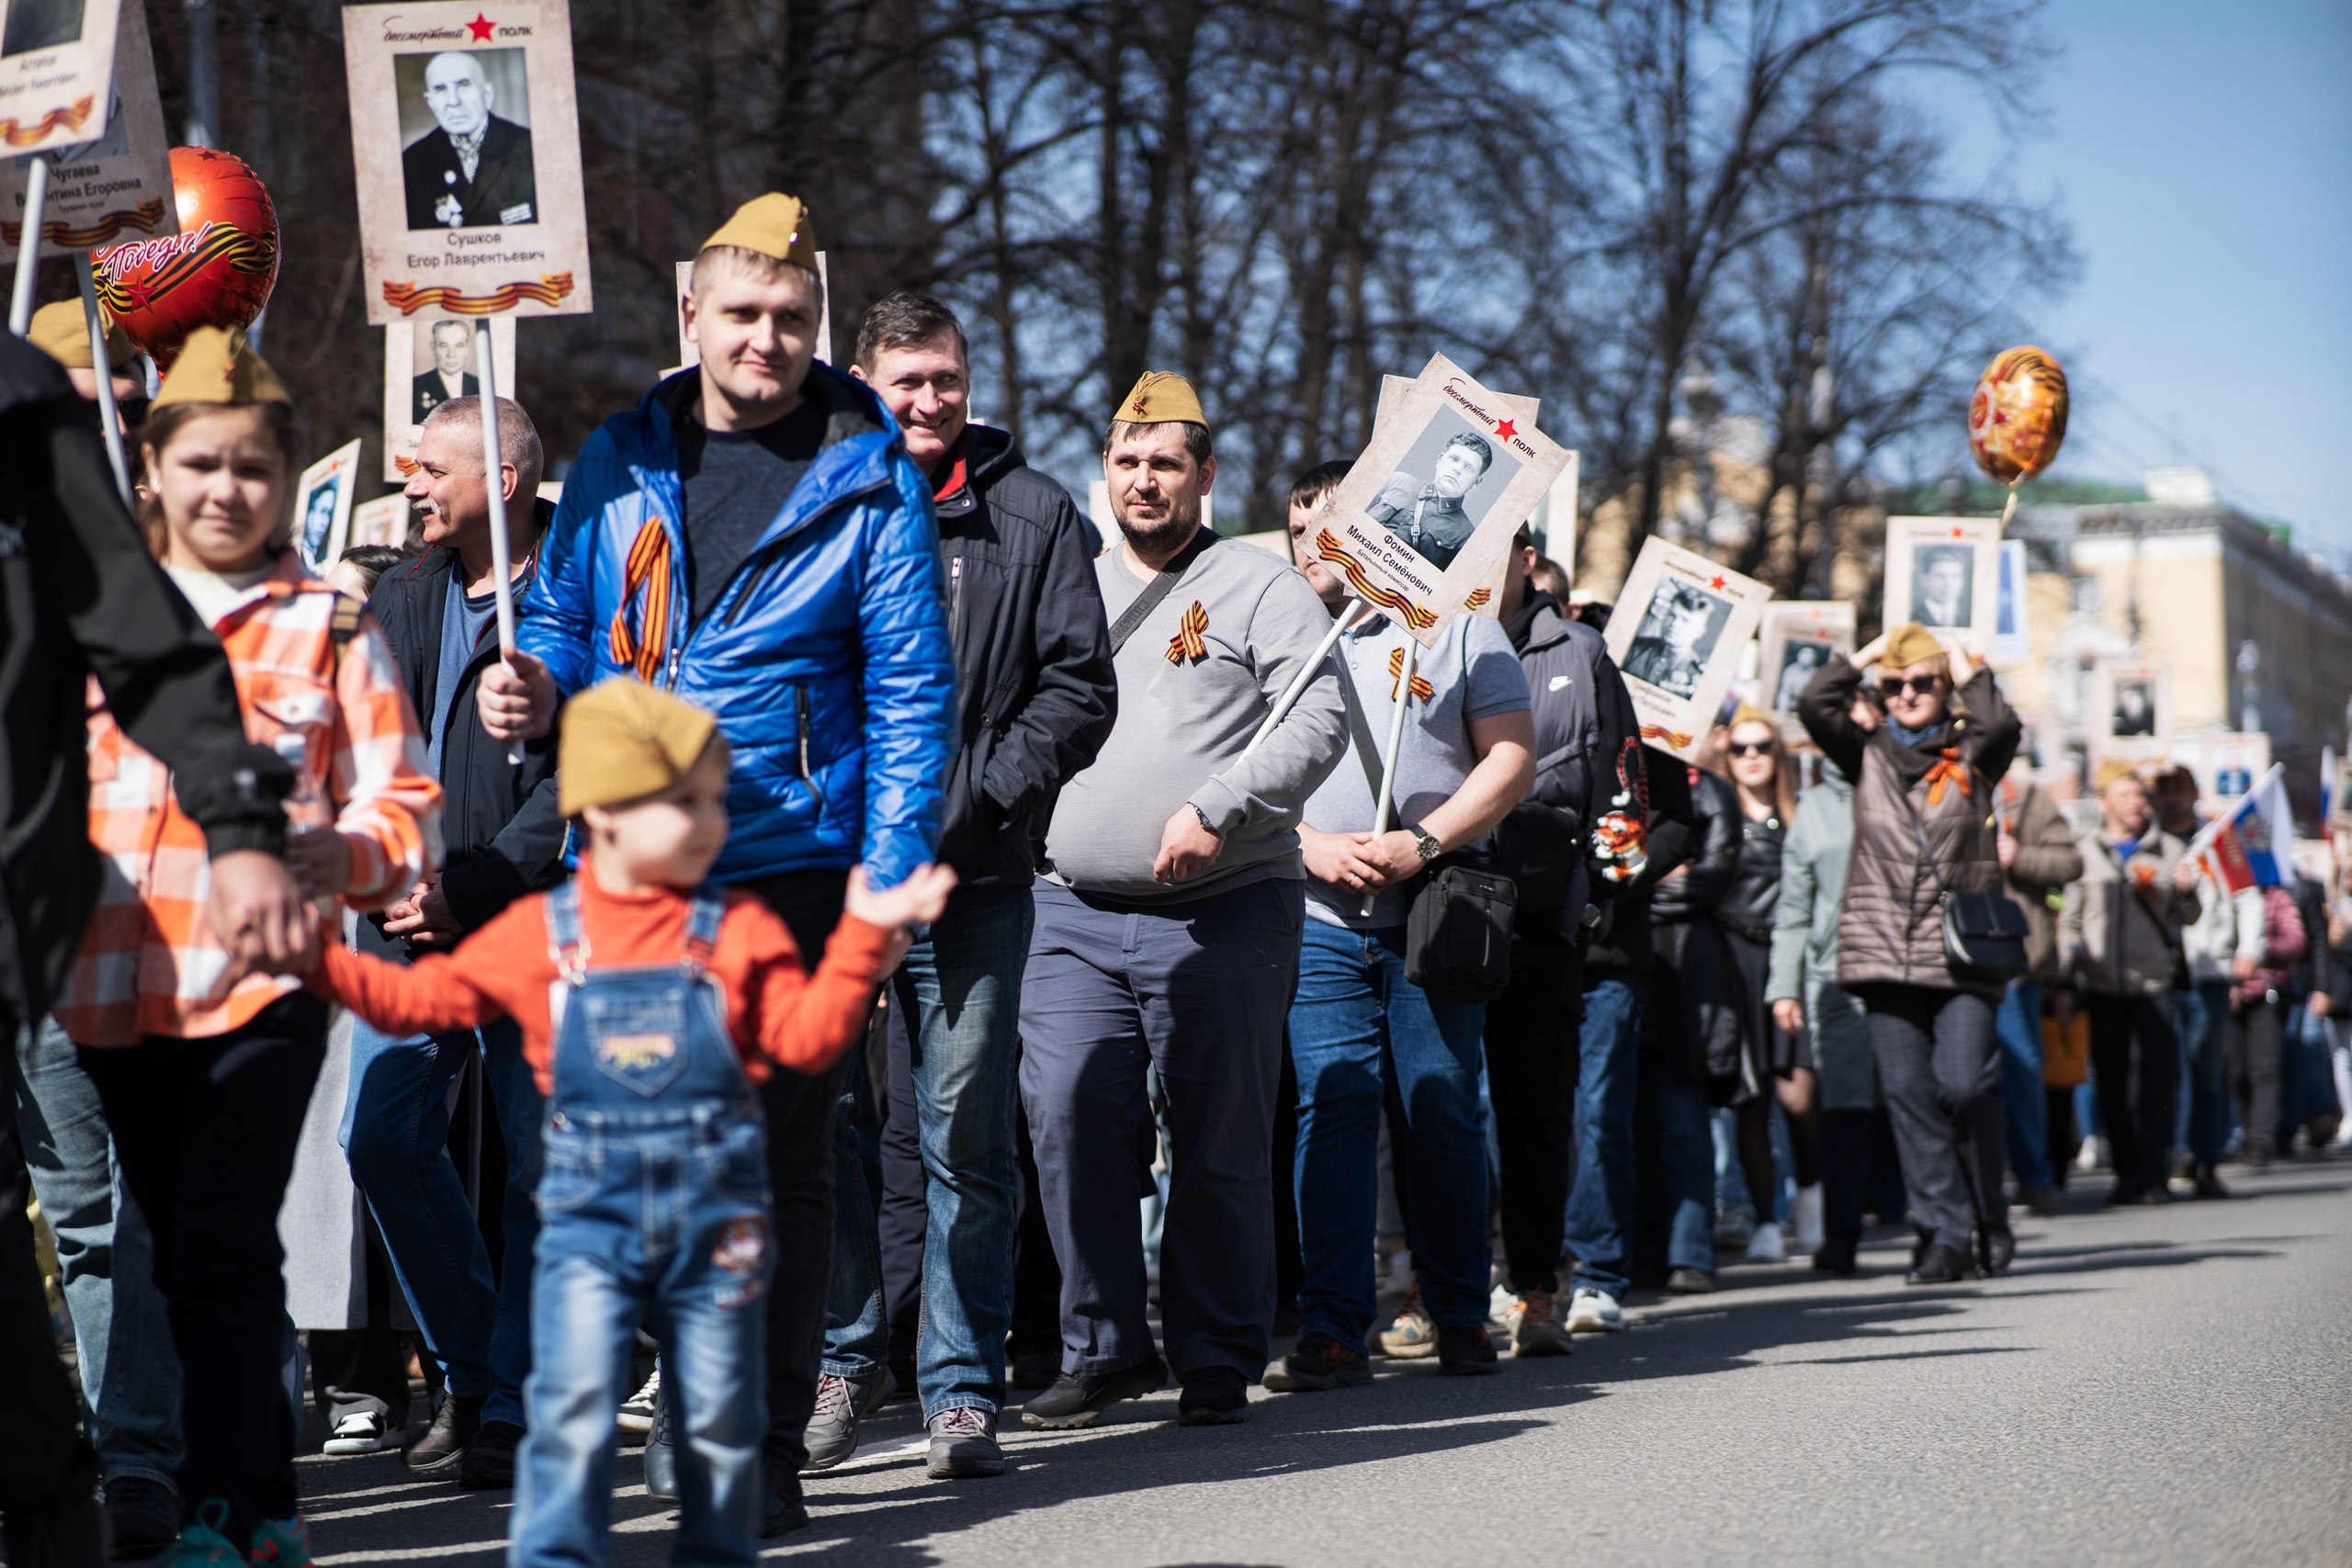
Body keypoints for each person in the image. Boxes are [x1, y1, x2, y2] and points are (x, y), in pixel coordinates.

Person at [484, 192, 955, 1536]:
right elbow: (570, 619)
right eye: (743, 314)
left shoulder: (870, 478)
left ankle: (752, 1437)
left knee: (778, 1153)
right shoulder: (622, 457)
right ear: (690, 314)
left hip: (800, 859)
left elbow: (915, 697)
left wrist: (888, 868)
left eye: (793, 317)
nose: (769, 339)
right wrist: (529, 678)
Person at [309, 678, 956, 1568]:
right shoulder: (536, 933)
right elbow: (425, 995)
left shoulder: (741, 934)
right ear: (603, 813)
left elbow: (802, 1041)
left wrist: (858, 951)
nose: (709, 824)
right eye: (682, 805)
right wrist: (316, 960)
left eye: (710, 803)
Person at [55, 328, 441, 1565]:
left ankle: (245, 1507)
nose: (228, 490)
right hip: (110, 979)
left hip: (262, 986)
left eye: (254, 468)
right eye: (203, 463)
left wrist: (341, 855)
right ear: (154, 468)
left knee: (221, 1235)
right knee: (158, 1245)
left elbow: (404, 804)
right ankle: (173, 1480)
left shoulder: (332, 622)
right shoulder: (89, 607)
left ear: (284, 480)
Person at [812, 293, 1114, 1478]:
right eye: (907, 383)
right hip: (830, 888)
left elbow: (1079, 688)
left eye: (947, 379)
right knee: (833, 1128)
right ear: (863, 382)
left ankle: (961, 1390)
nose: (930, 401)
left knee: (962, 1141)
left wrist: (974, 798)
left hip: (974, 879)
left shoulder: (1035, 516)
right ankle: (846, 1356)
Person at [1017, 371, 1347, 1429]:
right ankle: (1105, 1346)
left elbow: (1315, 724)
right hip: (1065, 911)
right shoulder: (1064, 581)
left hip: (1226, 904)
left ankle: (1214, 1350)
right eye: (1127, 462)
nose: (1144, 480)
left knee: (1217, 1137)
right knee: (1067, 1116)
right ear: (1102, 473)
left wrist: (1218, 803)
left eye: (1166, 462)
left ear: (1205, 474)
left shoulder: (1262, 589)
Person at [3, 308, 226, 1560]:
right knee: (71, 1213)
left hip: (158, 934)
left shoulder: (189, 547)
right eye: (85, 404)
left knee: (139, 1214)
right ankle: (75, 1452)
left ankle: (136, 1455)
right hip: (31, 925)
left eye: (127, 411)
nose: (108, 430)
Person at [338, 395, 565, 1485]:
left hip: (525, 913)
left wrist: (479, 883)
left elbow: (586, 772)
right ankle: (470, 1368)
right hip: (401, 919)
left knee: (537, 1165)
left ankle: (520, 1400)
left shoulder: (576, 587)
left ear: (504, 481)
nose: (413, 484)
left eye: (432, 468)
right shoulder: (403, 590)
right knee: (379, 1139)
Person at [1266, 484, 1533, 1393]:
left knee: (1441, 1109)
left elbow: (1510, 758)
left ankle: (1459, 1312)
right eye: (1297, 530)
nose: (1311, 546)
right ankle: (1334, 1328)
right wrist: (1309, 846)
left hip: (1434, 913)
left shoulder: (1458, 626)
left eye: (1329, 528)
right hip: (1316, 917)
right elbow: (1232, 765)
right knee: (1331, 1114)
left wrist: (1421, 840)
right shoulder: (1276, 632)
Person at [1797, 622, 2019, 1285]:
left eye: (1922, 681)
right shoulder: (1863, 752)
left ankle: (1989, 1212)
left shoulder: (1974, 751)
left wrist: (1957, 658)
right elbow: (1814, 703)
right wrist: (1862, 656)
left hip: (1962, 954)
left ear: (1945, 688)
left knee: (1965, 1084)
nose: (1907, 693)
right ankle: (1942, 1235)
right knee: (1912, 1097)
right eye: (1894, 685)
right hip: (1882, 952)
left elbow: (2000, 722)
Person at [1480, 525, 1640, 1354]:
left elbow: (1624, 784)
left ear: (1527, 557)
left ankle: (1536, 1287)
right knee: (1436, 1109)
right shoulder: (1417, 633)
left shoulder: (1580, 652)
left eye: (1499, 545)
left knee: (1534, 1110)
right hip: (1436, 903)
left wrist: (1594, 898)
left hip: (1543, 915)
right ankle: (1448, 1289)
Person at [1768, 688, 1885, 1274]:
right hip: (1833, 977)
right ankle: (1841, 1236)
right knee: (1844, 1108)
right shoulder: (1813, 807)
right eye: (1848, 722)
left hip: (1906, 972)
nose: (1858, 731)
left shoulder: (1909, 788)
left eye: (1869, 722)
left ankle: (1941, 1228)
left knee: (1917, 1103)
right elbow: (1793, 907)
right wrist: (1783, 987)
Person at [2059, 763, 2200, 1206]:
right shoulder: (2084, 852)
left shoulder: (2170, 849)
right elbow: (2070, 920)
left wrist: (2185, 892)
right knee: (2113, 1083)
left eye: (2141, 796)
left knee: (2158, 1082)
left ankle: (2154, 1173)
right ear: (2103, 802)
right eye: (2126, 795)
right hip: (2103, 984)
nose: (2137, 803)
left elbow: (2190, 917)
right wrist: (2066, 977)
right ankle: (2126, 1173)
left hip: (2154, 982)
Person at [1714, 706, 1820, 1263]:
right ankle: (1766, 1218)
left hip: (1789, 957)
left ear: (1780, 754)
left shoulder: (1800, 814)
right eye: (1739, 748)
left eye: (1762, 746)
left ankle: (1810, 1192)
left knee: (1798, 1095)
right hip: (1733, 956)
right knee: (1750, 1097)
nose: (1751, 756)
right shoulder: (1717, 809)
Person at [2149, 764, 2262, 1199]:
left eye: (2180, 789)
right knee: (2162, 1072)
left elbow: (2246, 896)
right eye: (2165, 791)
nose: (2172, 798)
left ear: (2193, 792)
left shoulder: (2217, 840)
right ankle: (2165, 1157)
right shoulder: (2149, 841)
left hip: (2207, 970)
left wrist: (2249, 948)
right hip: (2158, 971)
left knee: (2207, 1070)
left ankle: (2204, 1159)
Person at [1991, 761, 2083, 1217]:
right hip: (1946, 953)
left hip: (2014, 958)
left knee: (2022, 1063)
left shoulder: (2027, 796)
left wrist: (2019, 856)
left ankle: (2034, 1177)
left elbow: (2070, 861)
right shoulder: (1931, 784)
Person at [401, 51, 538, 230]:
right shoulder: (412, 163)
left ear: (487, 94)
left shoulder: (531, 148)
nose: (453, 101)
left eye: (464, 85)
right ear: (431, 103)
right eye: (441, 89)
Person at [2225, 873, 2307, 1168]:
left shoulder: (2276, 897)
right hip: (2227, 993)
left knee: (2265, 1069)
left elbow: (2296, 942)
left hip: (2266, 994)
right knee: (2236, 1072)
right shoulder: (2224, 896)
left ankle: (2261, 1139)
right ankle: (2246, 1133)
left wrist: (2256, 946)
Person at [1365, 431, 1490, 570]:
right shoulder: (1397, 480)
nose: (1457, 469)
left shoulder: (1466, 536)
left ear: (1476, 482)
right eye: (1454, 459)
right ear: (1440, 460)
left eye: (1468, 468)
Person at [1622, 579, 1715, 698]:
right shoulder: (1633, 648)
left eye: (1685, 620)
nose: (1674, 624)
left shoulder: (1698, 675)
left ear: (1699, 632)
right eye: (1672, 615)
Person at [413, 321, 479, 423]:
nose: (451, 354)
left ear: (467, 348)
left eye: (459, 345)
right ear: (433, 348)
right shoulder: (415, 386)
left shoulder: (481, 386)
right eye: (444, 345)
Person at [1911, 546, 1971, 630]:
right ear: (1924, 580)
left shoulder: (1971, 618)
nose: (1948, 583)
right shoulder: (1912, 618)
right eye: (1940, 576)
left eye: (1955, 576)